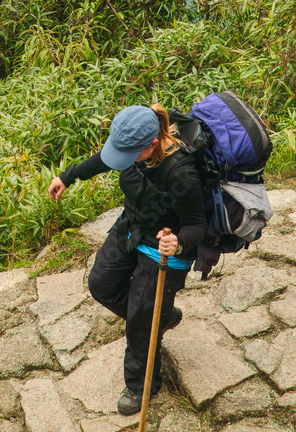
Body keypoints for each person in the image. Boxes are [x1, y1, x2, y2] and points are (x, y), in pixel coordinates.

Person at [48, 103, 206, 416]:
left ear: (152, 144)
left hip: (164, 249)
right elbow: (105, 161)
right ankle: (159, 318)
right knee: (100, 284)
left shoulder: (181, 174)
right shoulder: (138, 149)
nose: (122, 160)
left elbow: (197, 224)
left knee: (140, 324)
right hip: (133, 228)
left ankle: (141, 384)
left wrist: (178, 241)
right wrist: (68, 176)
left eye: (128, 154)